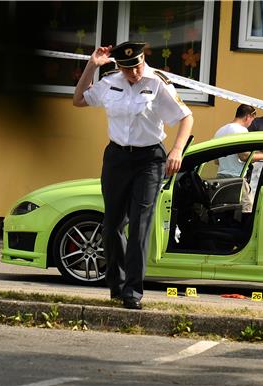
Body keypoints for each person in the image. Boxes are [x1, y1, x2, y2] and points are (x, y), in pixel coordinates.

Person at [73, 42, 193, 310]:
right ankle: (116, 285)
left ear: (142, 61)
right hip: (117, 157)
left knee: (140, 224)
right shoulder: (109, 81)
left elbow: (186, 117)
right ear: (119, 66)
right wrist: (92, 65)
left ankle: (133, 292)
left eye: (137, 67)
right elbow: (78, 99)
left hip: (149, 159)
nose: (134, 74)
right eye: (128, 69)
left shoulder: (157, 82)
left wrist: (176, 150)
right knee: (112, 225)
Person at [214, 104, 263, 212]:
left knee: (225, 213)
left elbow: (216, 161)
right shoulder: (241, 131)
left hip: (220, 179)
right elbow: (244, 156)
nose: (250, 123)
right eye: (252, 120)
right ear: (248, 117)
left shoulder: (220, 131)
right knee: (246, 211)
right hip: (237, 179)